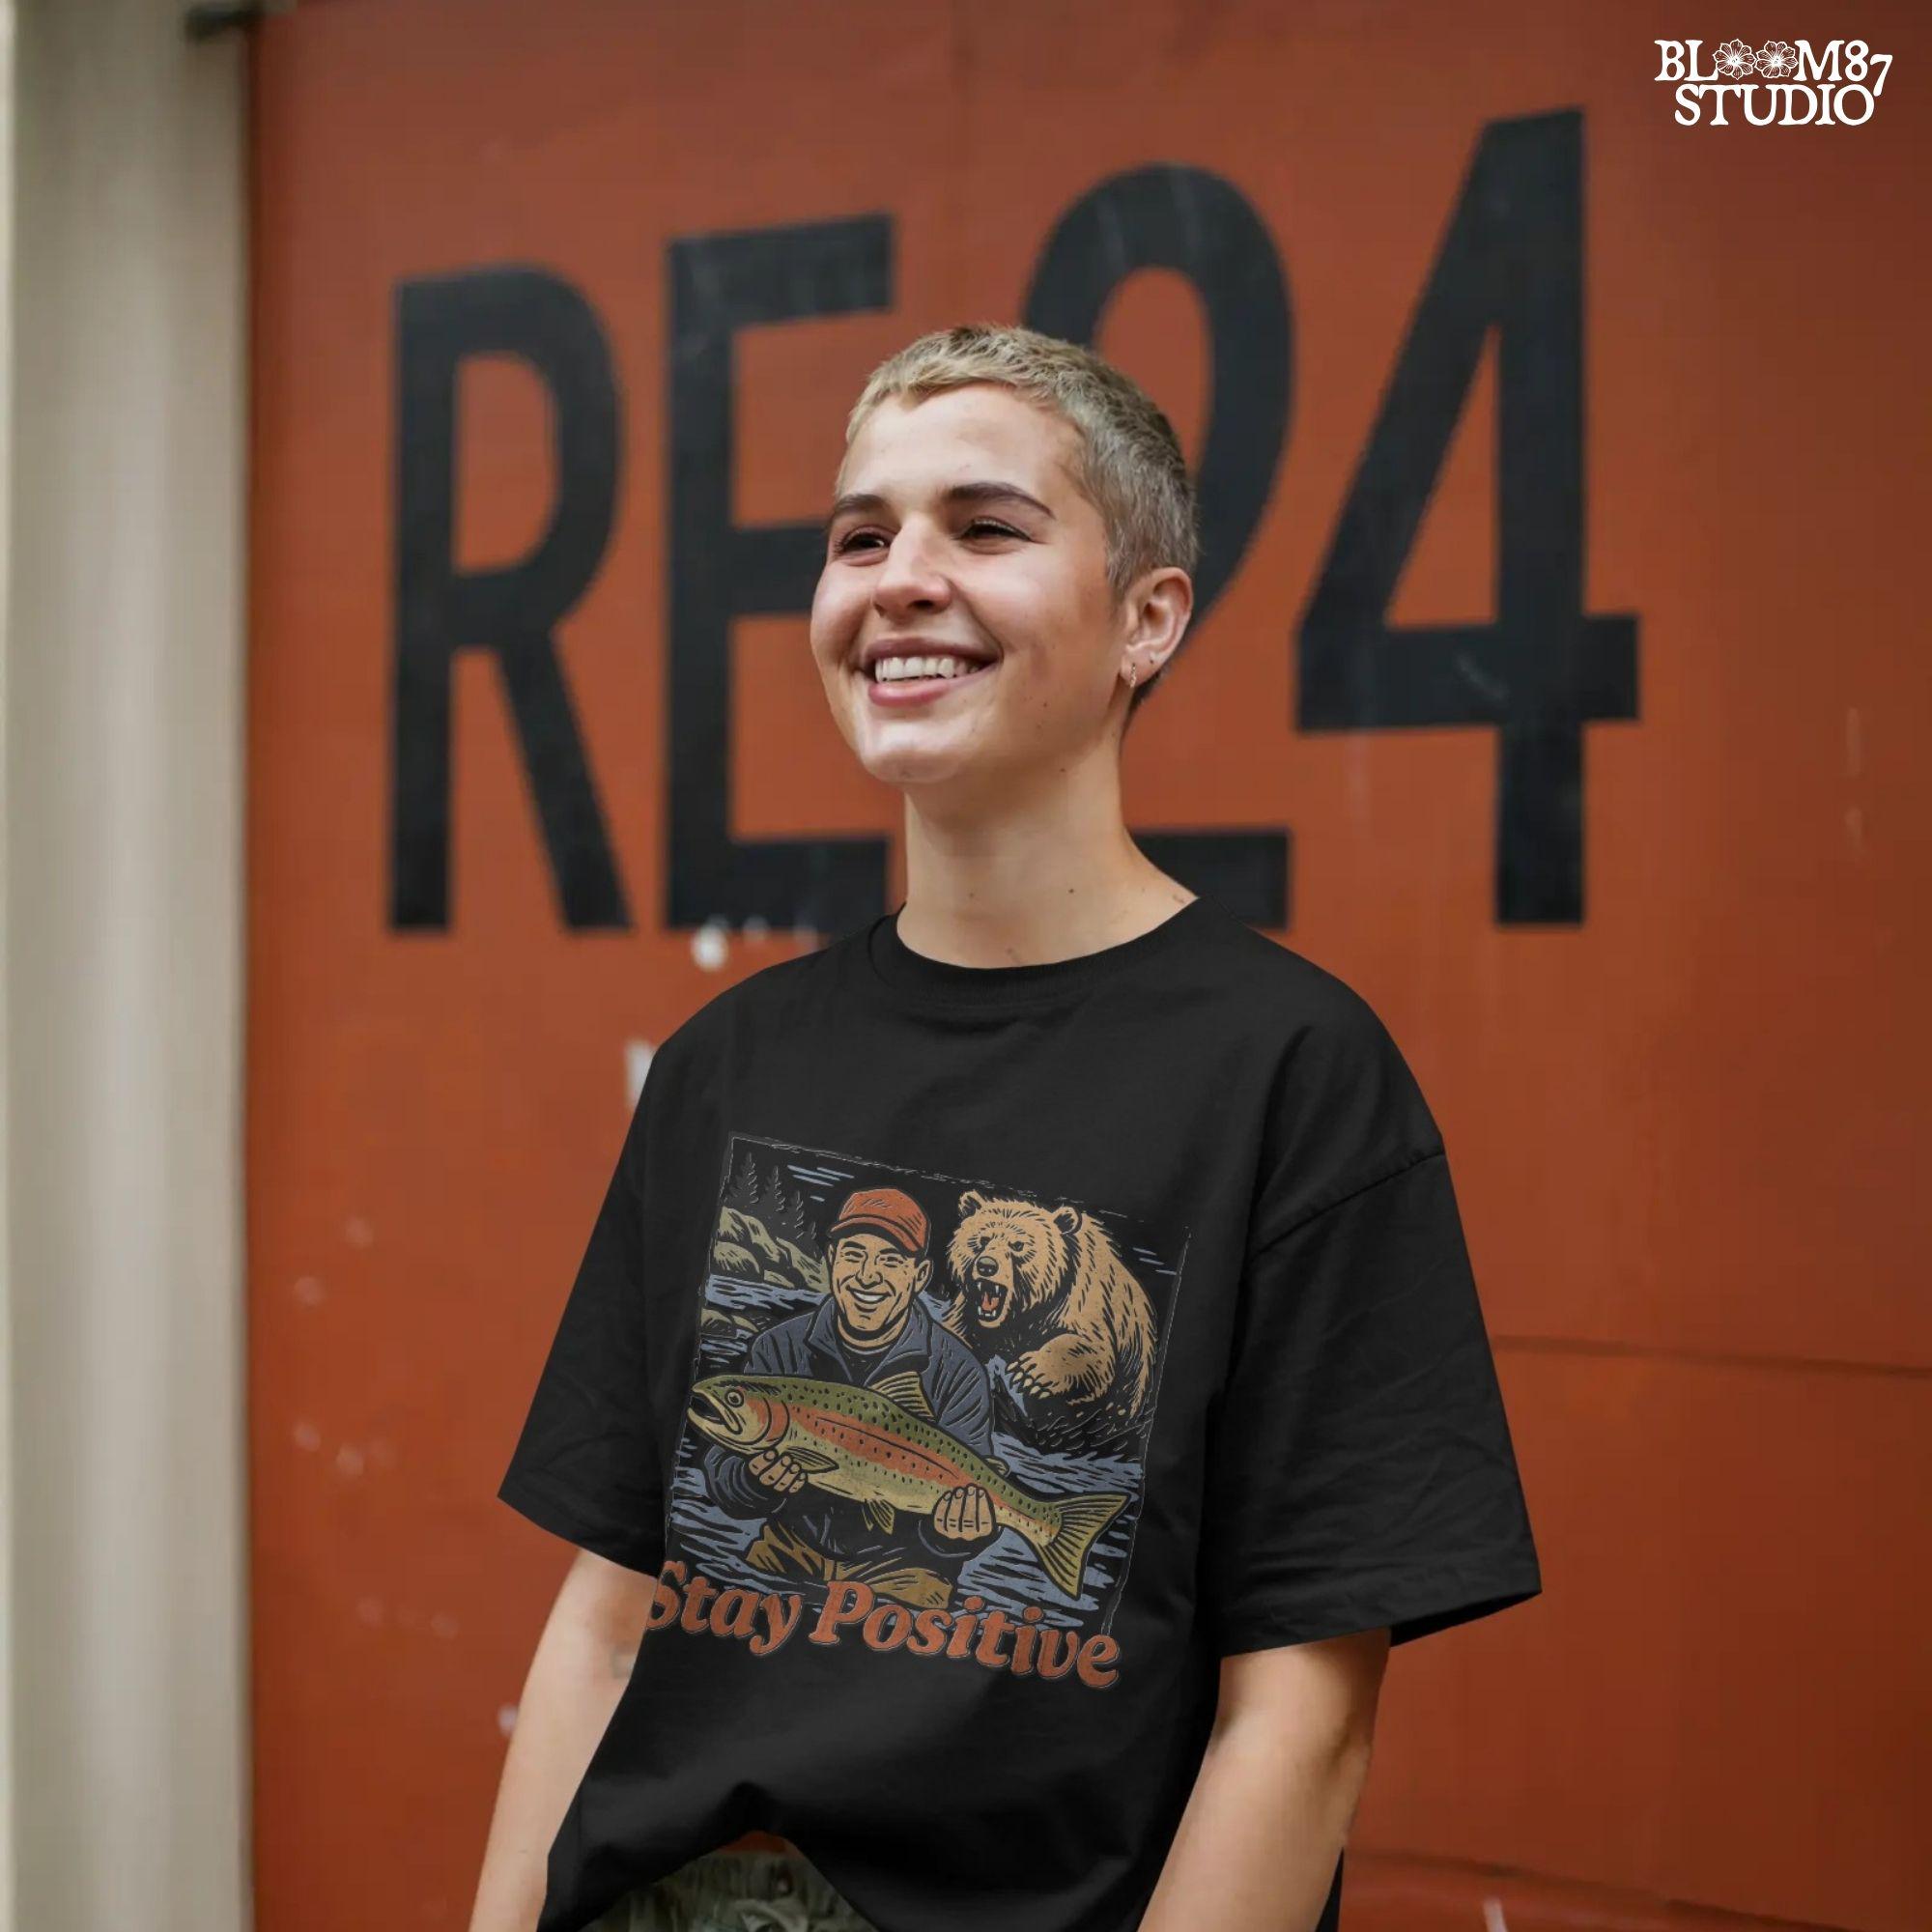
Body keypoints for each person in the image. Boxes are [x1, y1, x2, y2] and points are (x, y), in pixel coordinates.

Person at [470, 324, 1542, 1932]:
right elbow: (608, 1626)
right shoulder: (724, 1067)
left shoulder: (1293, 1074)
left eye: (984, 527)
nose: (901, 576)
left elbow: (1301, 1720)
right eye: (859, 536)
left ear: (1146, 621)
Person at [699, 1185, 997, 1609]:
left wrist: (953, 1534)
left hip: (907, 1568)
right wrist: (754, 1481)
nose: (868, 1276)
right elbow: (723, 1479)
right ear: (832, 1260)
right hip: (792, 1547)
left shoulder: (958, 1371)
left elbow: (970, 1526)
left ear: (920, 1275)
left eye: (890, 1260)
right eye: (854, 1254)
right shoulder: (779, 1346)